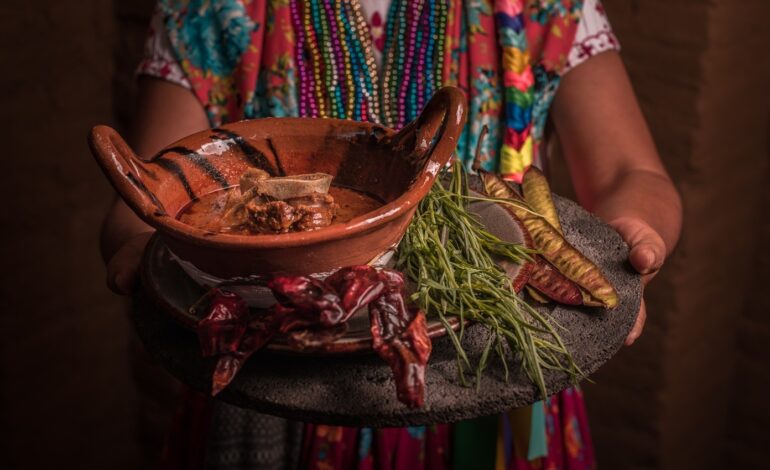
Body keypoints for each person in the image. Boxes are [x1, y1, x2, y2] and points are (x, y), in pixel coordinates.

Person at [101, 0, 682, 468]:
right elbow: (148, 193)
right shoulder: (210, 11)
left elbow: (632, 173)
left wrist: (631, 232)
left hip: (491, 370)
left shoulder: (543, 9)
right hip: (273, 380)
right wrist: (138, 243)